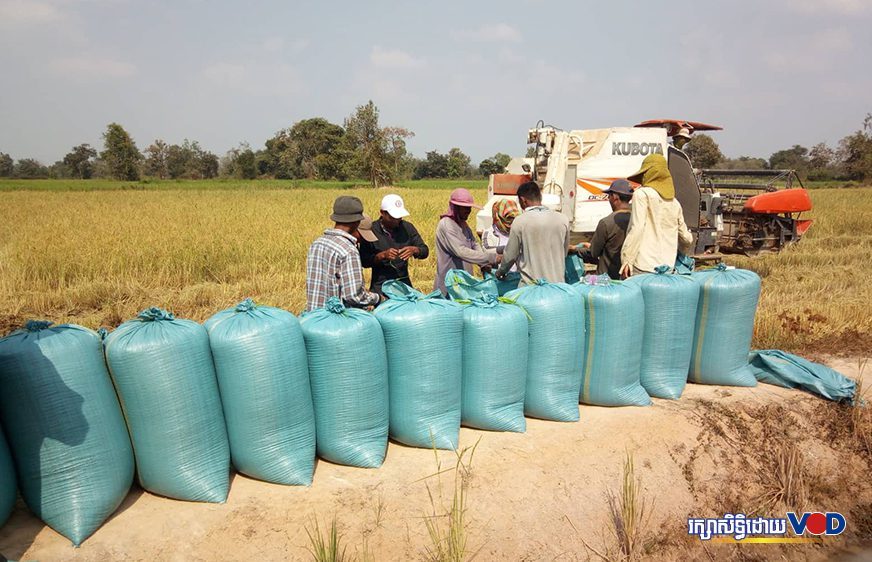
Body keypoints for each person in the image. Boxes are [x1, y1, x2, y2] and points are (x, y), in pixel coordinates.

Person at [620, 154, 693, 277]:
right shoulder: (675, 203)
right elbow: (686, 239)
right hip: (667, 268)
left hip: (644, 266)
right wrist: (683, 252)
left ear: (649, 174)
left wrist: (627, 259)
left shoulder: (642, 194)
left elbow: (637, 228)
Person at [305, 195, 382, 312]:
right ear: (356, 222)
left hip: (314, 317)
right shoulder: (348, 250)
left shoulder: (317, 243)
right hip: (337, 322)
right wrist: (378, 298)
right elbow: (354, 296)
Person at [494, 181, 570, 285]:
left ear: (523, 200)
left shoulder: (520, 221)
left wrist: (500, 272)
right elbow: (564, 253)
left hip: (531, 288)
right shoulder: (563, 219)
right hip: (557, 287)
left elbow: (510, 255)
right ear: (540, 197)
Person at [359, 194, 430, 296]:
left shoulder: (407, 228)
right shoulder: (371, 230)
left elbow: (425, 251)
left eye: (399, 217)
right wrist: (382, 256)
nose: (397, 220)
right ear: (382, 213)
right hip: (380, 288)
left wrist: (415, 250)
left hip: (404, 286)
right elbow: (364, 261)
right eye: (393, 217)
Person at [434, 188, 500, 295]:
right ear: (455, 208)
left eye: (469, 208)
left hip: (462, 283)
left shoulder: (463, 225)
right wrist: (492, 258)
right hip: (448, 285)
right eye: (465, 208)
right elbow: (461, 251)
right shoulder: (446, 225)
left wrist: (483, 263)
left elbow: (474, 244)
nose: (468, 211)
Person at [576, 179, 633, 280]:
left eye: (609, 196)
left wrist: (573, 249)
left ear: (615, 197)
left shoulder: (606, 222)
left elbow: (593, 253)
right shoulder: (636, 221)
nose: (608, 199)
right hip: (629, 279)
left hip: (607, 282)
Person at [481, 199, 521, 273]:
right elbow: (487, 250)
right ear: (498, 216)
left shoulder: (518, 231)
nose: (511, 223)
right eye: (508, 218)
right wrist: (509, 249)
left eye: (514, 218)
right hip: (498, 276)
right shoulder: (489, 233)